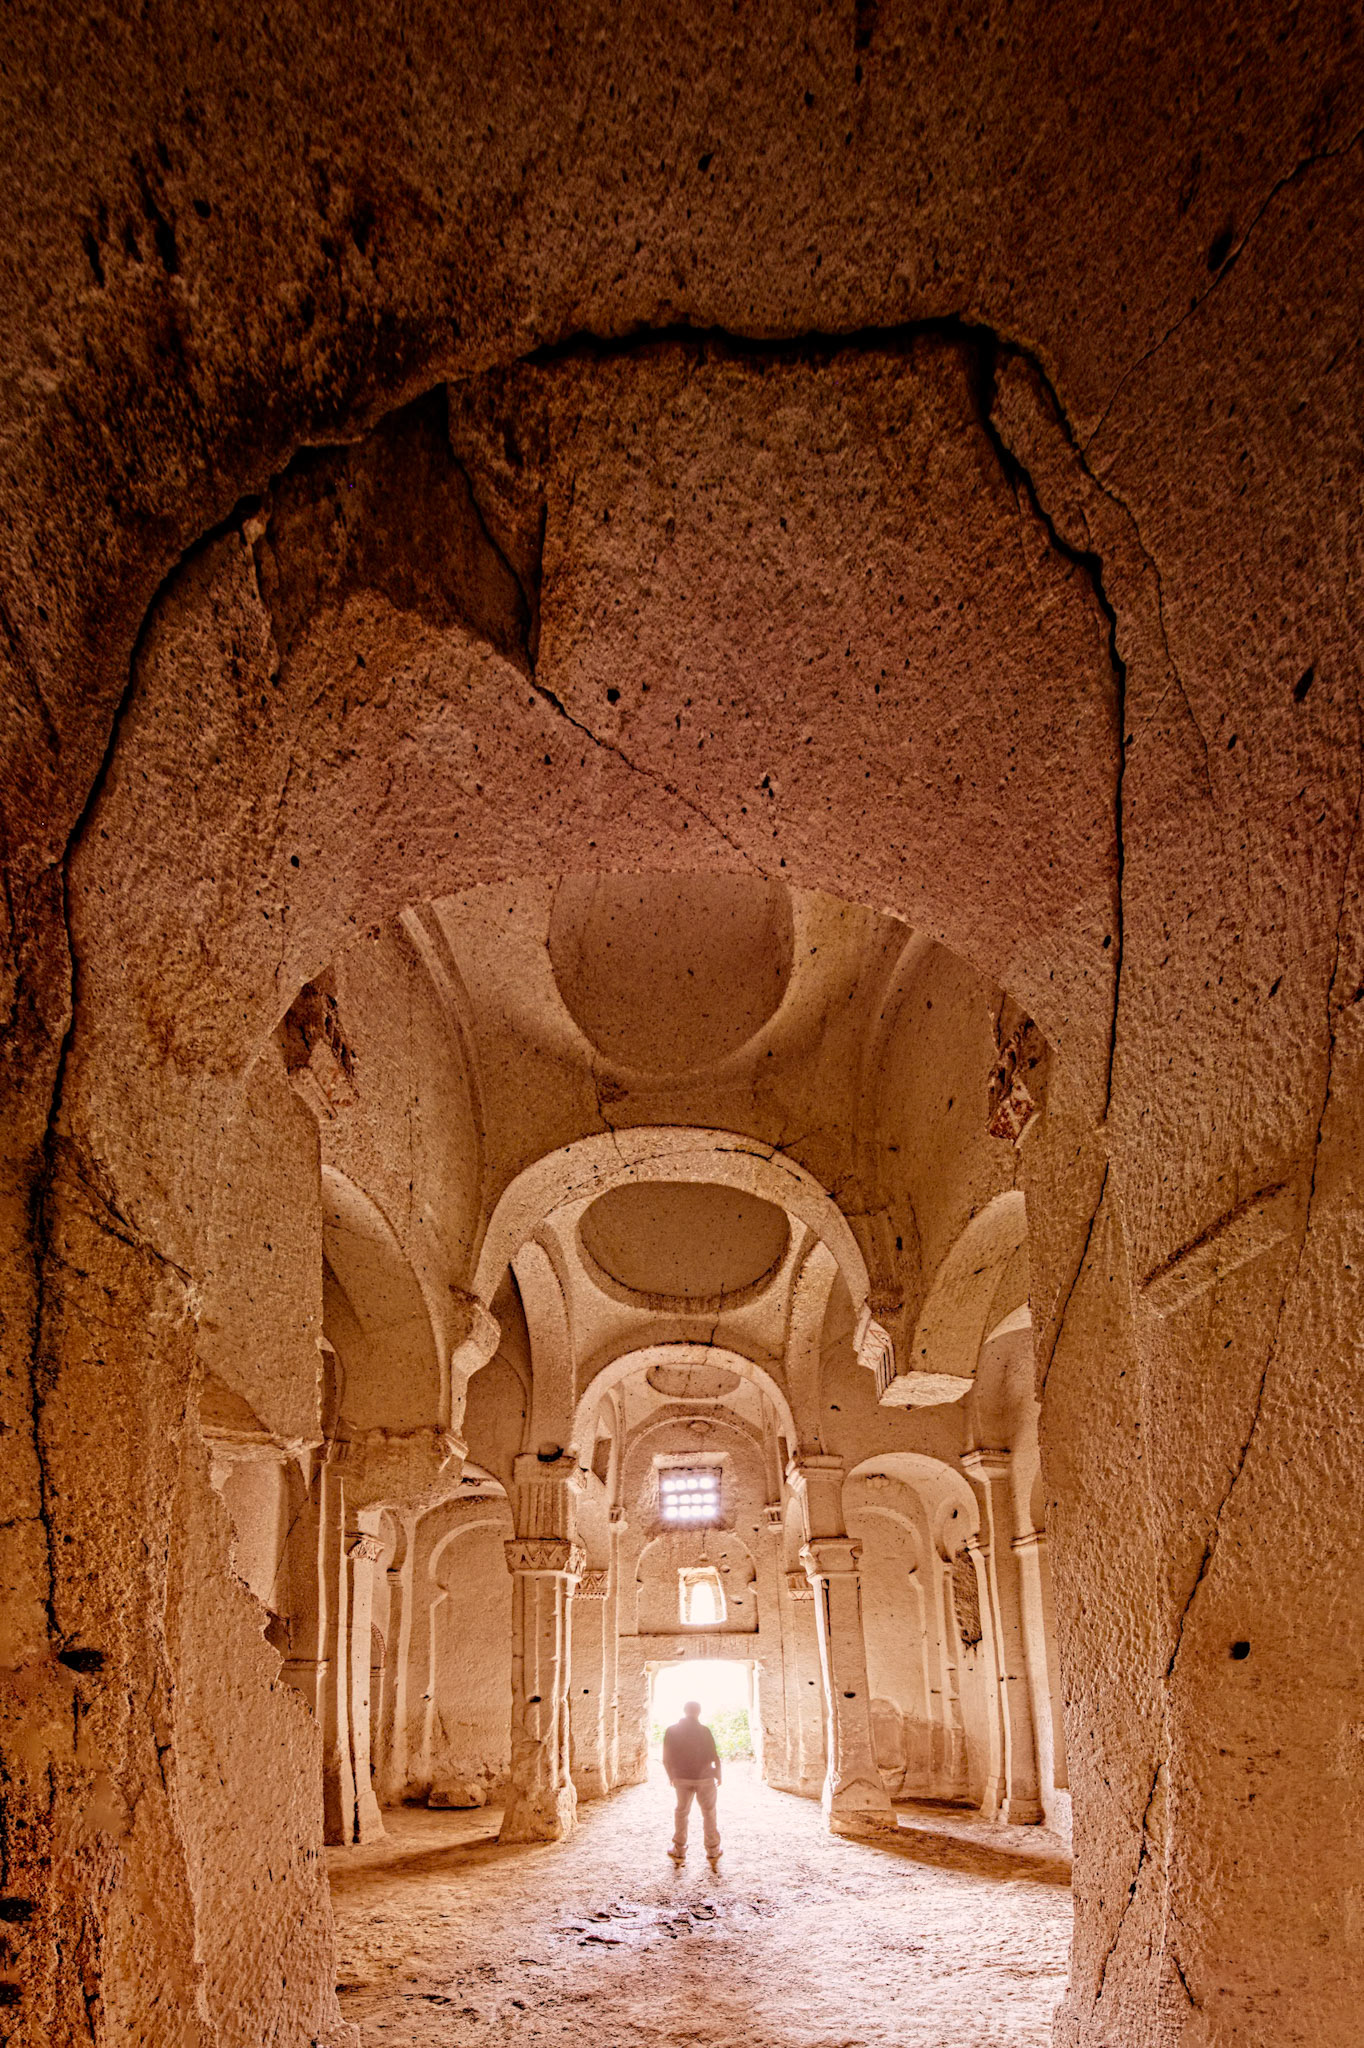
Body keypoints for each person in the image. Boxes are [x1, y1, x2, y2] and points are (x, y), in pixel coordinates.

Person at [662, 1699, 722, 1868]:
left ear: (684, 1710)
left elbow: (667, 1758)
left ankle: (679, 1849)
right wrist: (718, 1774)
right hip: (705, 1778)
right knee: (709, 1812)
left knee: (682, 1811)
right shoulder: (704, 1731)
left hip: (682, 1777)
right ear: (699, 1712)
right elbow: (714, 1755)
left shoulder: (671, 1730)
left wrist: (671, 1776)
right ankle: (713, 1850)